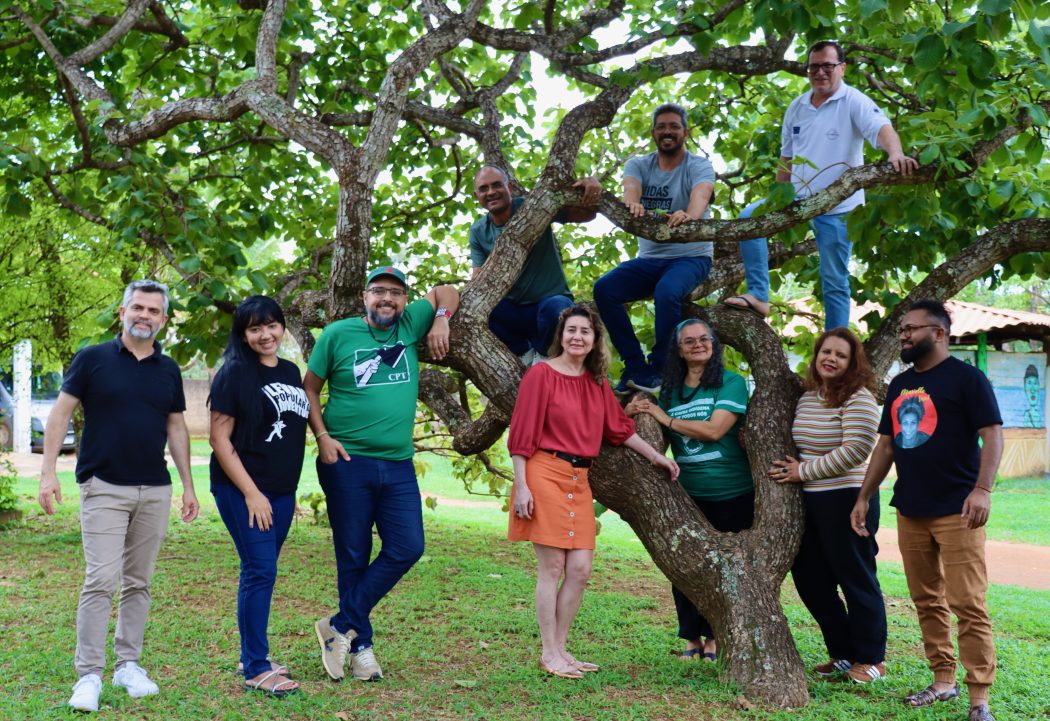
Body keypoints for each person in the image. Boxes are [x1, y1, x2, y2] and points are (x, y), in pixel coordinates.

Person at [37, 279, 200, 713]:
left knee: (139, 583)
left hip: (155, 489)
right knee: (100, 581)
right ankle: (88, 674)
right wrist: (48, 472)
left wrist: (187, 485)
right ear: (123, 311)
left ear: (164, 320)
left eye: (153, 311)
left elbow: (176, 428)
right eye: (138, 308)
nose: (144, 316)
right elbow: (61, 413)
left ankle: (128, 664)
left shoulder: (169, 370)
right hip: (103, 486)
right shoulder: (92, 359)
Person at [305, 266, 459, 682]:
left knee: (407, 547)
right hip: (346, 462)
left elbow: (446, 290)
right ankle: (361, 648)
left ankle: (338, 625)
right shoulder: (337, 335)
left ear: (405, 301)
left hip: (397, 464)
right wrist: (321, 436)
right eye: (378, 291)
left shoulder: (410, 325)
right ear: (365, 297)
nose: (386, 298)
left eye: (395, 292)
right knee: (352, 554)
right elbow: (309, 388)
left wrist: (441, 320)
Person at [851, 299, 1003, 721]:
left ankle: (979, 700)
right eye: (902, 329)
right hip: (911, 508)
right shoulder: (899, 385)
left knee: (968, 602)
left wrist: (983, 490)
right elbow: (886, 445)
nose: (904, 335)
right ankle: (942, 681)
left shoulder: (967, 379)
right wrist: (864, 495)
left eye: (912, 329)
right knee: (926, 599)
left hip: (958, 509)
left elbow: (992, 434)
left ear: (939, 333)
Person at [508, 304, 679, 678]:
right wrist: (521, 485)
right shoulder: (541, 374)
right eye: (571, 330)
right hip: (543, 472)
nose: (577, 337)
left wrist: (657, 458)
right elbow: (521, 434)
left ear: (595, 340)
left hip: (579, 480)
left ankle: (563, 648)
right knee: (552, 567)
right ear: (561, 336)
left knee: (581, 569)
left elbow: (619, 429)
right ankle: (548, 651)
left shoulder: (597, 383)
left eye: (585, 331)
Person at [725, 40, 919, 327]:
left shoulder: (854, 100)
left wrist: (896, 154)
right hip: (797, 198)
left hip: (838, 207)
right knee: (748, 219)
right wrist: (779, 198)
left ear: (842, 67)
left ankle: (836, 341)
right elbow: (787, 157)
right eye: (814, 66)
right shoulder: (797, 106)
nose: (820, 72)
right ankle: (758, 296)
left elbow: (881, 128)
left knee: (834, 280)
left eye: (827, 65)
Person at [625, 318, 752, 662]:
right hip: (688, 494)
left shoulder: (731, 382)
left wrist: (665, 418)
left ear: (714, 344)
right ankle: (691, 637)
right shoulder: (669, 389)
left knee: (724, 568)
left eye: (704, 339)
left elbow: (714, 430)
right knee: (684, 566)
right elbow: (644, 430)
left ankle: (714, 638)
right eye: (689, 341)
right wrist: (633, 410)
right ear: (678, 350)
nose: (698, 344)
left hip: (732, 493)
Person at [768, 328, 886, 684]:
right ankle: (843, 653)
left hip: (848, 499)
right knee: (811, 580)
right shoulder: (808, 397)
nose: (831, 359)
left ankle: (872, 660)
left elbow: (856, 451)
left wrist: (801, 471)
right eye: (826, 352)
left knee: (856, 578)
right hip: (811, 502)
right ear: (816, 356)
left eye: (841, 355)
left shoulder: (859, 398)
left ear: (853, 363)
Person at [208, 296, 309, 697]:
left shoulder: (290, 370)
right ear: (243, 334)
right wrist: (252, 493)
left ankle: (251, 654)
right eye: (254, 328)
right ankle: (255, 666)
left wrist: (285, 492)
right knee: (260, 570)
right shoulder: (234, 373)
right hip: (242, 490)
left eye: (272, 325)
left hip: (281, 493)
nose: (265, 334)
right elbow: (219, 439)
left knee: (259, 570)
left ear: (282, 327)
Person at [594, 103, 716, 393]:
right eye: (661, 126)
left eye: (674, 126)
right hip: (649, 259)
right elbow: (630, 187)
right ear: (653, 133)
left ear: (686, 132)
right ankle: (636, 366)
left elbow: (702, 193)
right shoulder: (639, 164)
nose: (667, 131)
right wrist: (632, 202)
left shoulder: (698, 165)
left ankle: (663, 368)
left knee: (667, 291)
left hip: (691, 257)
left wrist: (691, 214)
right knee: (604, 289)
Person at [469, 165, 603, 365]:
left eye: (496, 185)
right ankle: (523, 354)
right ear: (476, 195)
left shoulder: (531, 208)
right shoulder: (478, 230)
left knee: (558, 310)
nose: (490, 192)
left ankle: (543, 354)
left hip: (548, 302)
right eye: (483, 188)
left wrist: (590, 186)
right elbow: (478, 278)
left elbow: (587, 214)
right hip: (513, 312)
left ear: (510, 187)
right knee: (480, 308)